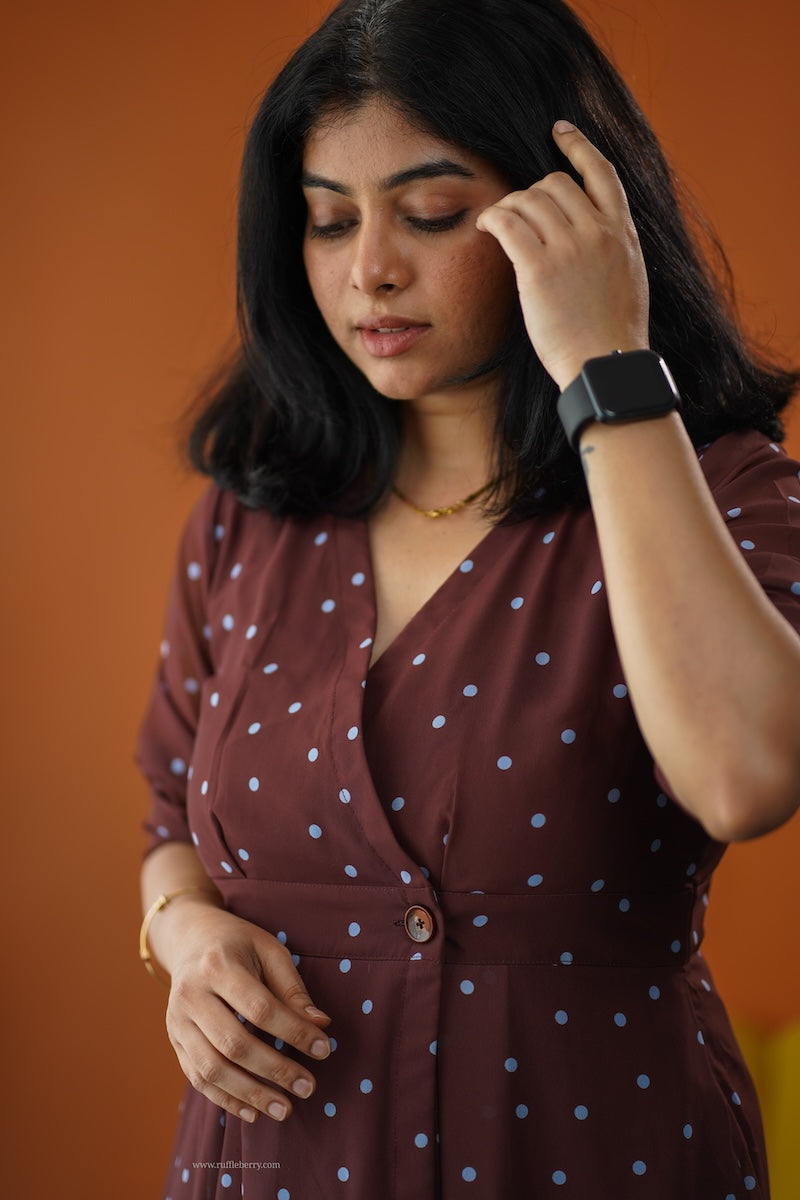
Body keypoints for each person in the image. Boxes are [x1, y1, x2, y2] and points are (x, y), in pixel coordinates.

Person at [136, 0, 800, 1195]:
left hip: (596, 1149)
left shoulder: (708, 487)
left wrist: (608, 373)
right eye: (328, 221)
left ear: (569, 213)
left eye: (431, 214)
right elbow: (170, 819)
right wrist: (181, 935)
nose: (369, 269)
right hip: (273, 1167)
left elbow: (747, 773)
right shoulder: (247, 519)